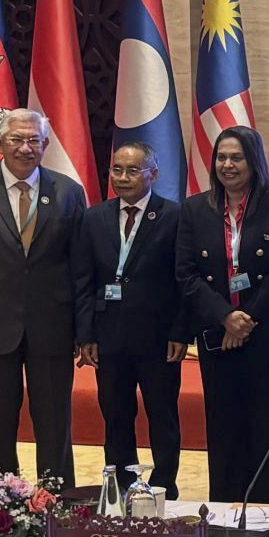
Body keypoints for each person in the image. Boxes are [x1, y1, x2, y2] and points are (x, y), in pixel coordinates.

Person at [0, 109, 87, 486]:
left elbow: (80, 267)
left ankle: (58, 501)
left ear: (46, 144)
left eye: (33, 140)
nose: (25, 148)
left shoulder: (69, 191)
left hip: (53, 324)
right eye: (17, 140)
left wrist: (83, 330)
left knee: (55, 424)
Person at [176, 125, 269, 504]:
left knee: (265, 423)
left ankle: (264, 509)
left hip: (267, 333)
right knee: (223, 424)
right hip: (216, 334)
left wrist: (245, 318)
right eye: (221, 157)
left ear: (254, 161)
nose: (227, 165)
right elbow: (185, 273)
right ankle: (224, 508)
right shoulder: (195, 208)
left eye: (237, 157)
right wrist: (225, 317)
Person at [70, 142, 187, 498]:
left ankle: (165, 487)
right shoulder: (94, 217)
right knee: (116, 416)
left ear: (153, 174)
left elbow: (185, 281)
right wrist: (86, 335)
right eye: (117, 170)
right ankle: (121, 487)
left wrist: (180, 331)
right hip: (109, 336)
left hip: (158, 338)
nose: (122, 177)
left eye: (133, 170)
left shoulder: (175, 216)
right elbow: (83, 280)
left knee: (162, 415)